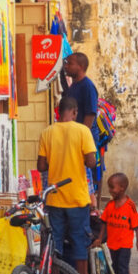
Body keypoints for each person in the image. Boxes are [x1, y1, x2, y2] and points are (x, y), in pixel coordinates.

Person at [37, 96, 102, 274]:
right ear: (74, 112)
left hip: (54, 197)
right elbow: (91, 162)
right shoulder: (83, 131)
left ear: (58, 111)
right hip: (77, 197)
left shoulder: (47, 132)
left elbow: (41, 166)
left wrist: (56, 161)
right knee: (79, 239)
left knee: (55, 241)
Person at [91, 173, 138, 274]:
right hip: (112, 243)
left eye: (112, 187)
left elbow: (136, 225)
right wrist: (100, 238)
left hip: (125, 243)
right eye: (109, 187)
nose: (110, 191)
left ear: (122, 187)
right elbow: (103, 223)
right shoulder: (110, 205)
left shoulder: (130, 206)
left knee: (122, 265)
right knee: (115, 265)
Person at [63, 52, 103, 207]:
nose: (66, 66)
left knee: (87, 175)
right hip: (74, 136)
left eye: (70, 63)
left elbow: (90, 114)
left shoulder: (87, 86)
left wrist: (81, 137)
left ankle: (90, 207)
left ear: (80, 67)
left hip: (84, 138)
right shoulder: (73, 86)